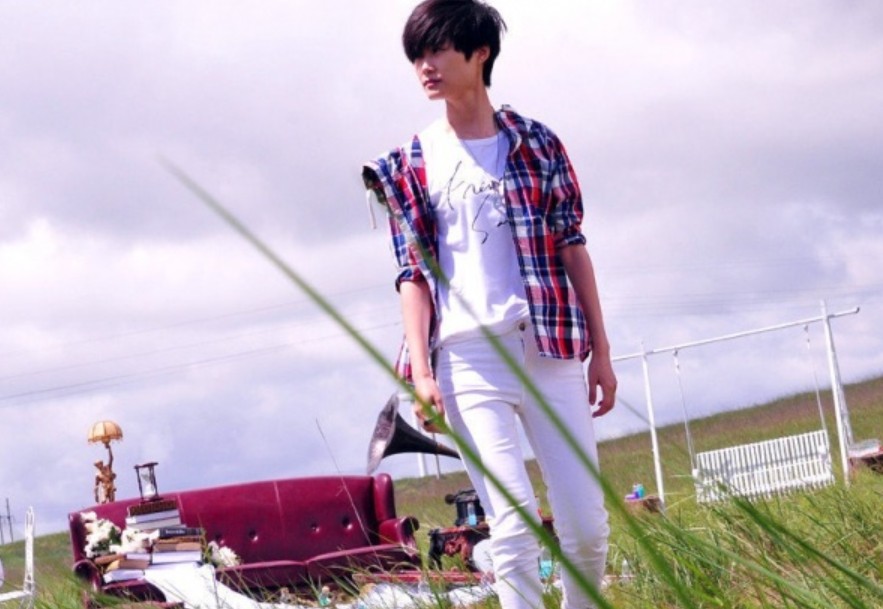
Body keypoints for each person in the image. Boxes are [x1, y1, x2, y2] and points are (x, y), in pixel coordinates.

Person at [362, 2, 617, 608]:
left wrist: (602, 352)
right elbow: (412, 274)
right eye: (416, 56)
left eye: (437, 51)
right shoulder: (410, 163)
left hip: (550, 347)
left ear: (480, 54)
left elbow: (572, 244)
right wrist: (422, 375)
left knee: (586, 526)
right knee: (514, 526)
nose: (425, 66)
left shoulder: (536, 143)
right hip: (468, 357)